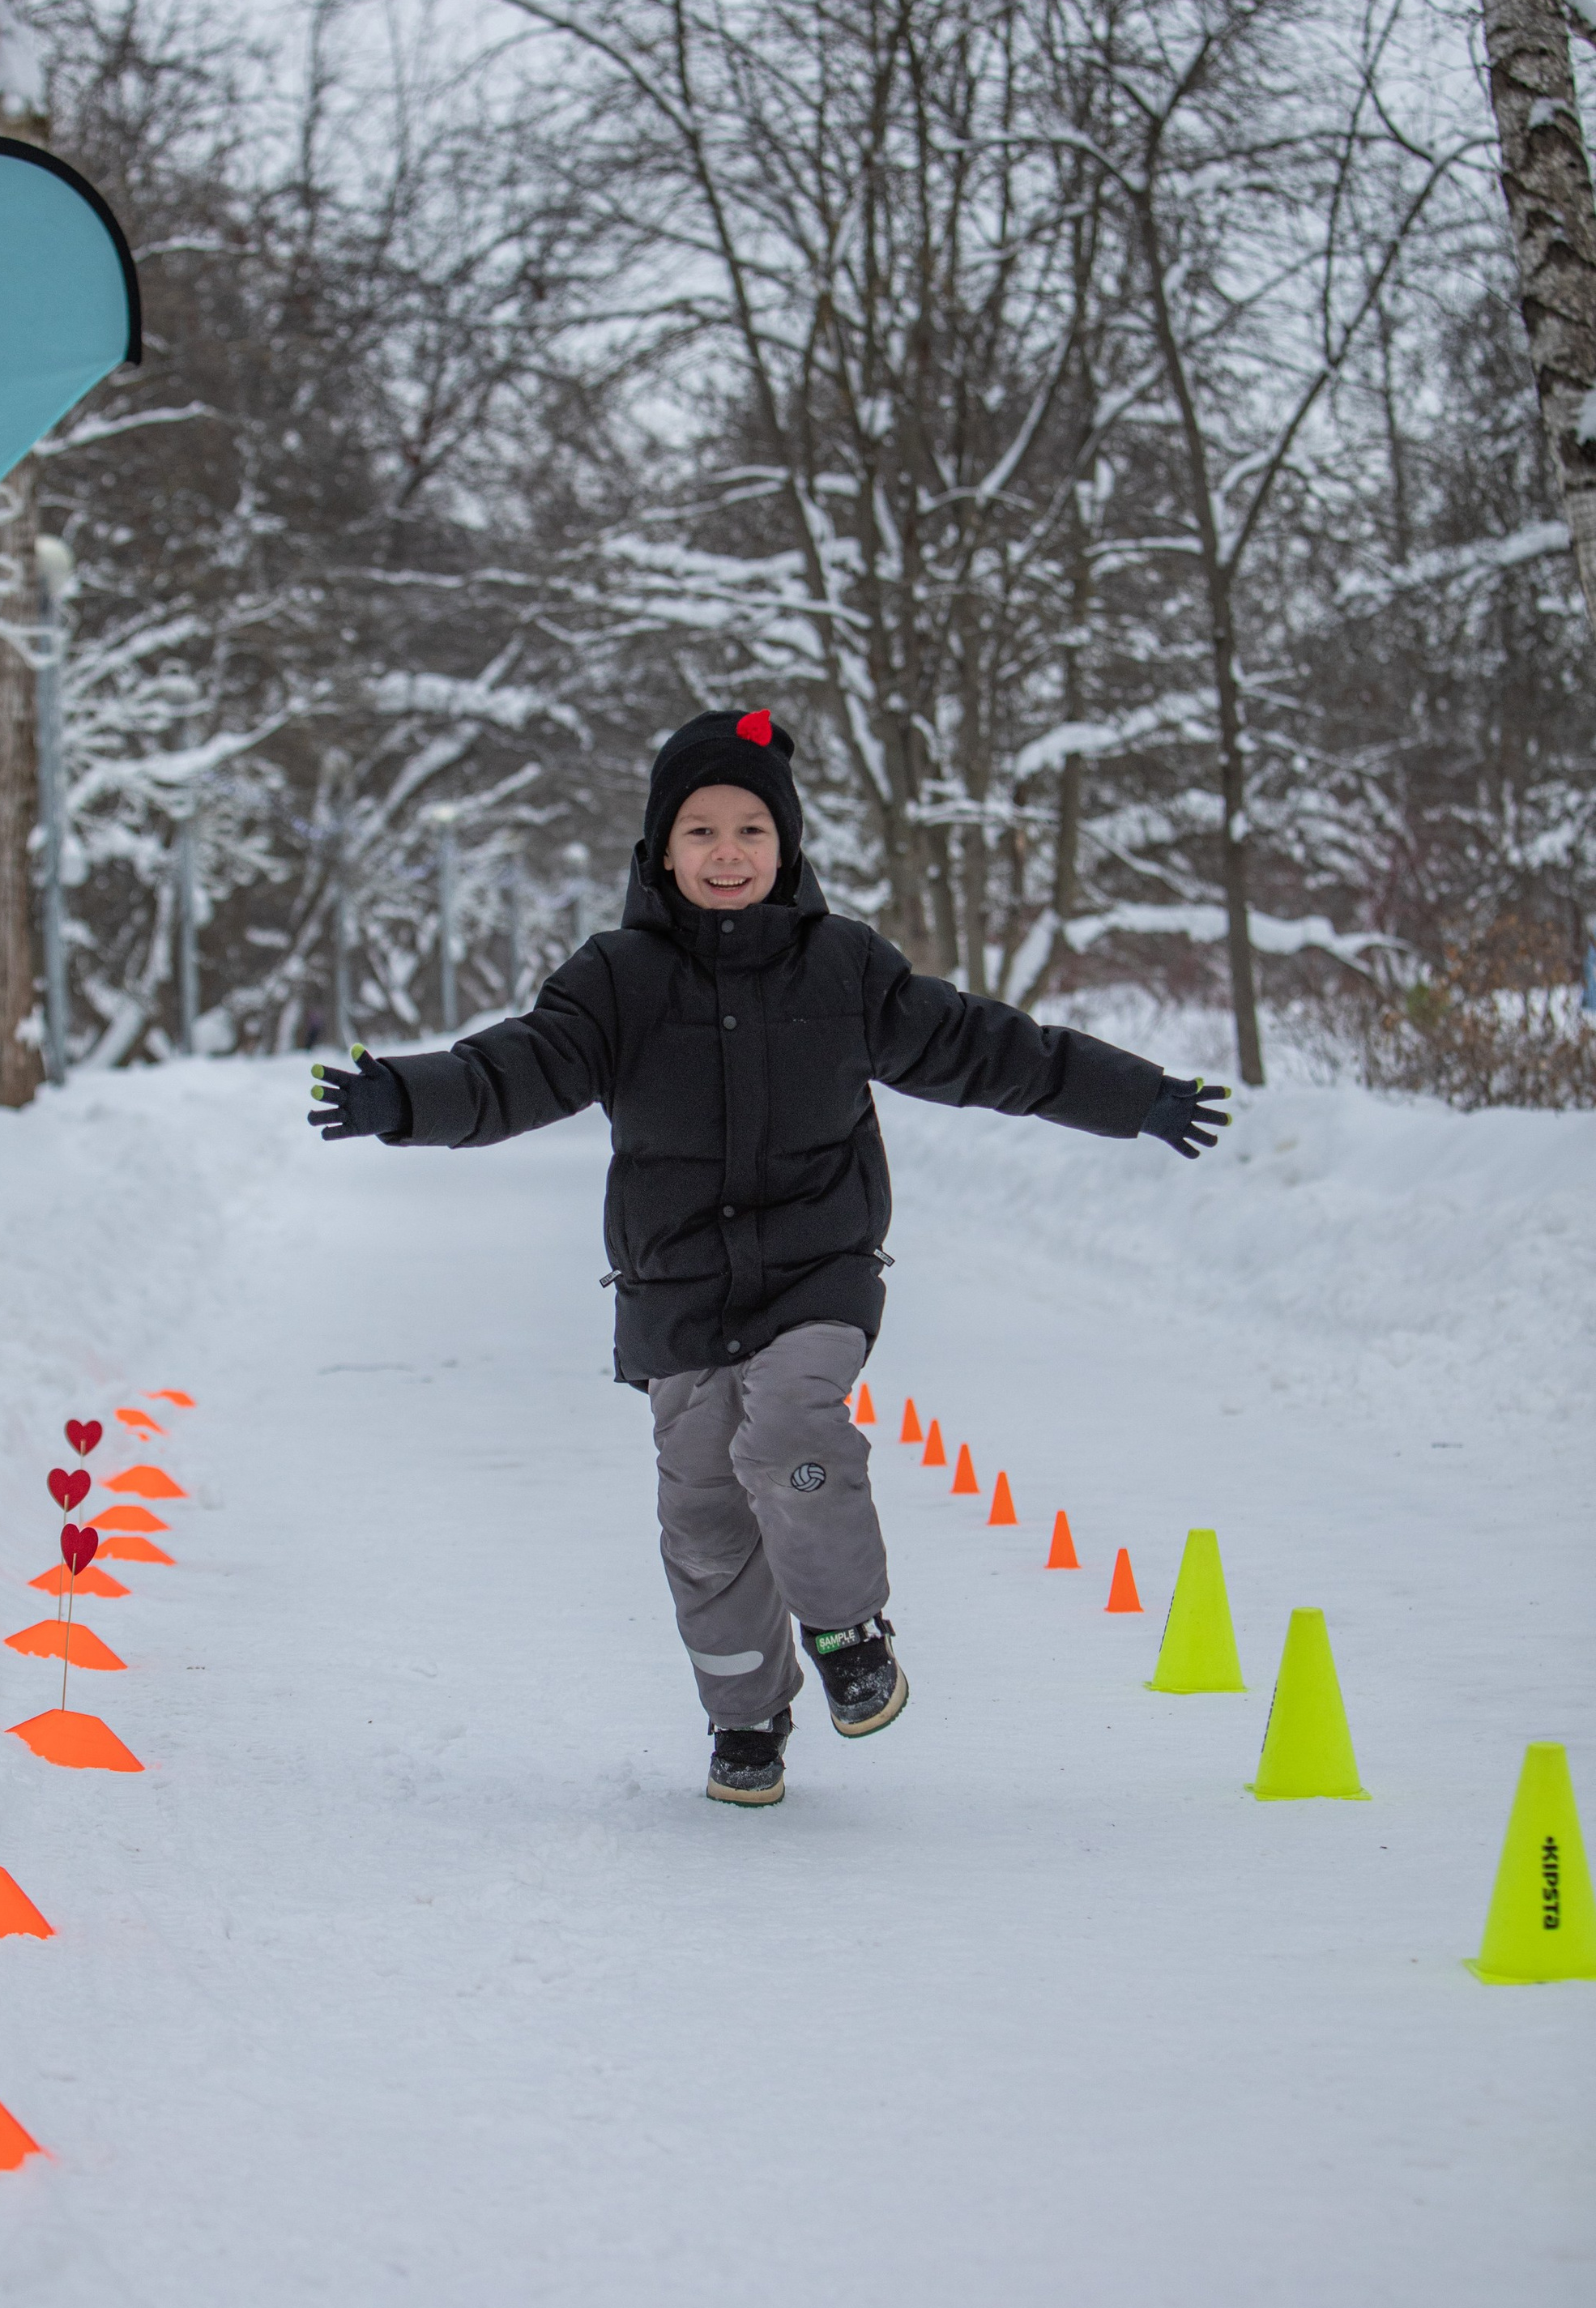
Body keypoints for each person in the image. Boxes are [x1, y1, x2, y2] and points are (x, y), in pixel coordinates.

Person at [308, 708, 1229, 1808]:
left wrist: (1135, 1098)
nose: (728, 853)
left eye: (752, 829)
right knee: (703, 1516)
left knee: (792, 1424)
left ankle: (847, 1631)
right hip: (678, 1293)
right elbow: (520, 1067)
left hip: (815, 1272)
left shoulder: (844, 968)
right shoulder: (616, 979)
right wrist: (407, 1098)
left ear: (787, 846)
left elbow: (985, 1047)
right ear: (661, 851)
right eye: (700, 831)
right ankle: (745, 1717)